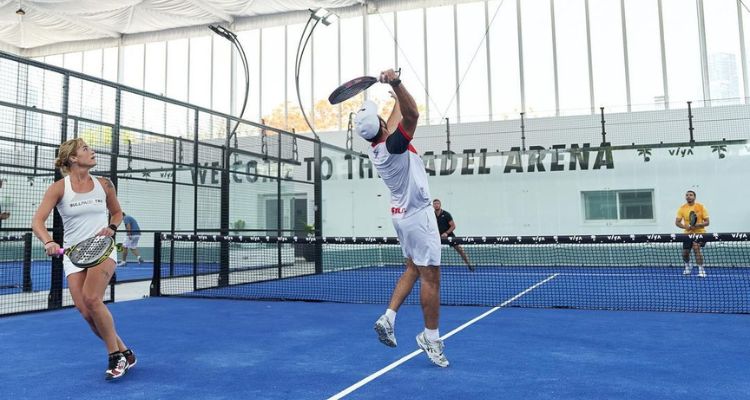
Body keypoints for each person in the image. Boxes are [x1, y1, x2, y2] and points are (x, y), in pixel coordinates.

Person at [357, 69, 448, 367]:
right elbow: (412, 116)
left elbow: (395, 120)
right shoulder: (394, 146)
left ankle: (389, 316)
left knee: (412, 267)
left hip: (400, 215)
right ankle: (431, 338)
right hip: (418, 217)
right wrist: (397, 83)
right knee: (430, 278)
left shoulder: (378, 146)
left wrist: (394, 96)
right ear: (383, 126)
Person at [31, 138, 136, 380]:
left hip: (103, 249)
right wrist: (48, 241)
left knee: (92, 298)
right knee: (87, 312)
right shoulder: (59, 188)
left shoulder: (104, 184)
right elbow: (37, 222)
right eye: (86, 149)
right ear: (73, 158)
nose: (93, 151)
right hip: (73, 254)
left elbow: (118, 212)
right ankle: (125, 351)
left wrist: (111, 226)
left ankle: (114, 356)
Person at [675, 190, 710, 278]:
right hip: (687, 234)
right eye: (687, 195)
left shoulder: (701, 207)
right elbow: (677, 222)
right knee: (685, 254)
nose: (688, 196)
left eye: (690, 195)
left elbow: (707, 222)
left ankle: (701, 270)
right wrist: (685, 227)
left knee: (696, 247)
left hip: (700, 233)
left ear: (694, 197)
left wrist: (698, 225)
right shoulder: (682, 208)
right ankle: (688, 266)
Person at [432, 199, 473, 271]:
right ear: (433, 205)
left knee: (460, 250)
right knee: (431, 250)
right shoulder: (432, 215)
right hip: (437, 237)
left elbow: (453, 226)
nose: (436, 205)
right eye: (434, 204)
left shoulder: (446, 214)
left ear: (440, 205)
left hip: (449, 236)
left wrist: (446, 233)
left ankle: (469, 264)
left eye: (437, 203)